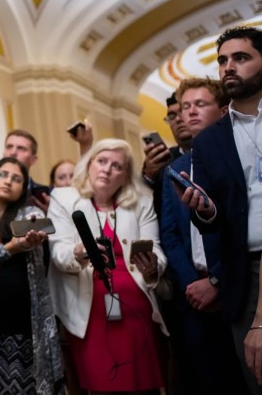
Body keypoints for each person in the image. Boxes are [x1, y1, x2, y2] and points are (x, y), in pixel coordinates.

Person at [178, 26, 262, 393]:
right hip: (243, 273)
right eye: (222, 60)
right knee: (258, 378)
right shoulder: (210, 140)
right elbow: (213, 218)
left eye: (241, 58)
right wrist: (205, 212)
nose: (228, 67)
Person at [48, 138, 168, 394]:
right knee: (103, 384)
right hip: (87, 310)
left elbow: (156, 247)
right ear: (89, 165)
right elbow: (58, 253)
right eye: (101, 161)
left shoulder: (142, 200)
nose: (106, 169)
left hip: (136, 310)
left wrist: (152, 267)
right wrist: (78, 251)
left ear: (125, 176)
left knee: (144, 386)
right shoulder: (63, 198)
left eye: (117, 166)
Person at [159, 77, 246, 394]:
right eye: (184, 107)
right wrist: (192, 285)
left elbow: (242, 228)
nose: (189, 113)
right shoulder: (175, 168)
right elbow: (169, 235)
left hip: (238, 287)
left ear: (223, 111)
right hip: (192, 299)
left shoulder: (239, 157)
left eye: (200, 105)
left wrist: (216, 282)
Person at [0, 157, 64, 394]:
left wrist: (31, 240)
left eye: (17, 179)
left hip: (25, 321)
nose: (9, 182)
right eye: (3, 175)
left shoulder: (29, 214)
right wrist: (9, 249)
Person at [3, 129, 50, 210]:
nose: (13, 152)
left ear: (33, 159)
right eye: (9, 147)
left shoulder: (47, 195)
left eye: (21, 148)